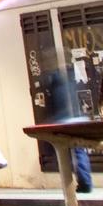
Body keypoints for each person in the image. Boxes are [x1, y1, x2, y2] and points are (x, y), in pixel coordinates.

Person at [41, 65, 93, 194]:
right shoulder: (72, 83)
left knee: (65, 152)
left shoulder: (56, 87)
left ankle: (75, 182)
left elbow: (56, 109)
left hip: (65, 122)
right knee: (79, 150)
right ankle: (85, 180)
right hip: (77, 120)